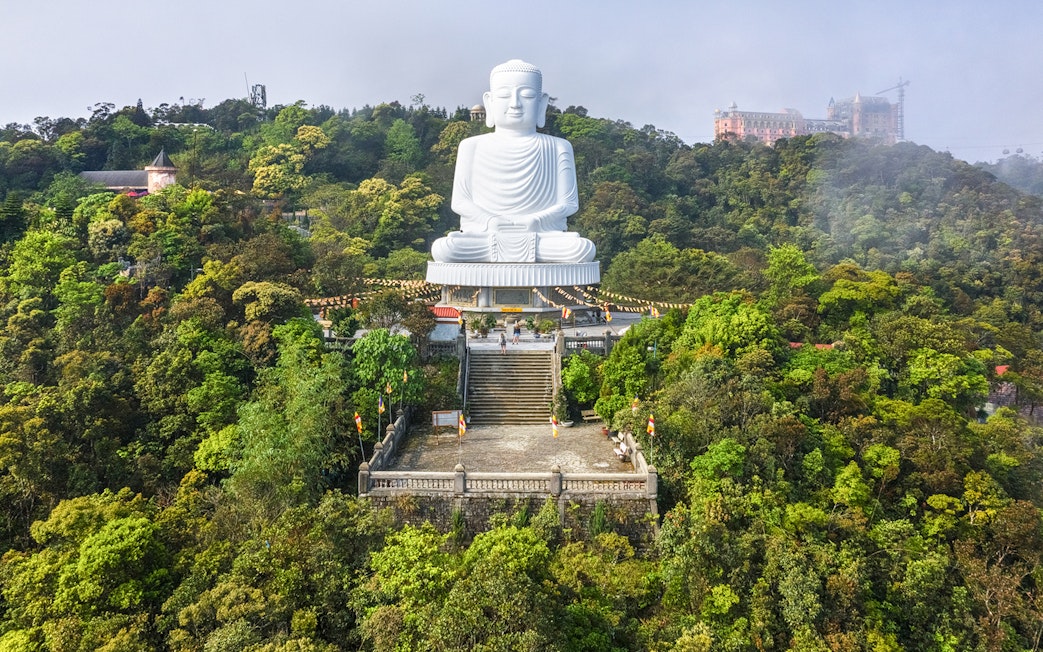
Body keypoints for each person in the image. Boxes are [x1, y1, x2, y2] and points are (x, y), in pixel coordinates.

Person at [430, 60, 596, 264]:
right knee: (445, 249)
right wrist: (491, 220)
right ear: (489, 102)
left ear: (541, 103)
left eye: (526, 96)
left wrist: (536, 220)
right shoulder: (471, 146)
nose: (515, 104)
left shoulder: (558, 147)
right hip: (486, 235)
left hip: (540, 236)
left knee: (581, 249)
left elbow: (569, 203)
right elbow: (460, 202)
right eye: (504, 95)